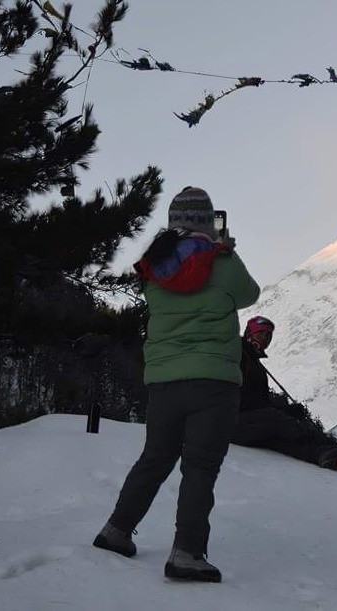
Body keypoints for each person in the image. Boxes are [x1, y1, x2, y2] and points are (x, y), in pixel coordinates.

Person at [93, 186, 260, 583]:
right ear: (208, 223)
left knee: (154, 459)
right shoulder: (222, 263)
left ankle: (116, 529)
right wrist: (225, 250)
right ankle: (187, 552)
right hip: (214, 383)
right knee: (199, 467)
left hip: (165, 383)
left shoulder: (154, 267)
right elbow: (249, 294)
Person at [232, 315, 337, 470]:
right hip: (230, 422)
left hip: (241, 424)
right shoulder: (237, 355)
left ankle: (324, 454)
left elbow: (258, 398)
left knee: (277, 439)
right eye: (260, 334)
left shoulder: (253, 362)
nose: (264, 340)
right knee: (277, 420)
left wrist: (285, 408)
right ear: (248, 334)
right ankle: (327, 443)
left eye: (268, 337)